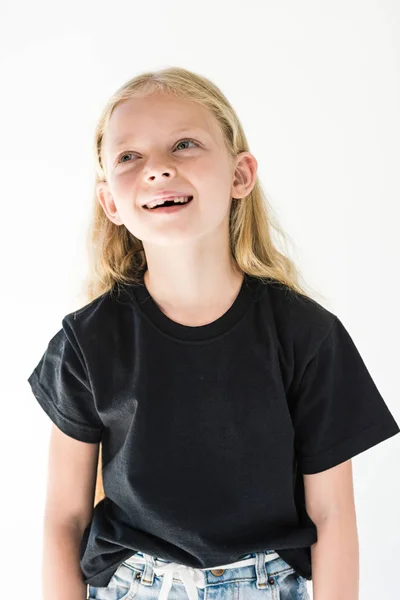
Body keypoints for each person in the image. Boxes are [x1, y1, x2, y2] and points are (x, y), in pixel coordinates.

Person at [27, 66, 399, 600]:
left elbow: (333, 514)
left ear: (240, 176)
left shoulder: (305, 335)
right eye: (129, 156)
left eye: (184, 144)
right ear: (110, 201)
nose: (157, 169)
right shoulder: (86, 343)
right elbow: (64, 520)